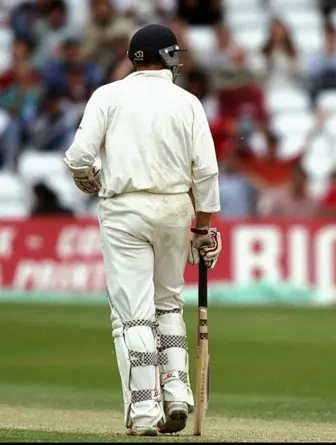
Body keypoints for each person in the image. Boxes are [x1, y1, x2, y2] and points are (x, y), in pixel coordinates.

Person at [62, 24, 222, 437]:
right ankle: (178, 391)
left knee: (133, 314)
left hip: (125, 209)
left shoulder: (108, 95)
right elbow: (205, 171)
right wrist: (202, 228)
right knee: (168, 303)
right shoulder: (188, 103)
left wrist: (87, 177)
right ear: (165, 57)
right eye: (174, 54)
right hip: (174, 208)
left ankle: (145, 410)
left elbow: (79, 156)